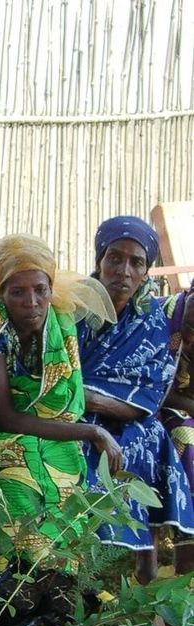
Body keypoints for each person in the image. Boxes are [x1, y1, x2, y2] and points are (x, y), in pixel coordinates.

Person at [0, 233, 121, 556]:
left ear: (50, 289)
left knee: (64, 457)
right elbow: (6, 418)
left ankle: (60, 571)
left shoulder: (59, 324)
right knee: (19, 463)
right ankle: (19, 567)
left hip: (17, 420)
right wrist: (92, 430)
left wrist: (82, 432)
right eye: (17, 292)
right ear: (1, 294)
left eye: (40, 290)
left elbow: (59, 402)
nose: (31, 303)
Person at [77, 216, 194, 582]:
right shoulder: (71, 306)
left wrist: (92, 398)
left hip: (128, 413)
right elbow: (56, 377)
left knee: (146, 438)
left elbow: (151, 390)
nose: (123, 271)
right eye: (115, 258)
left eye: (136, 263)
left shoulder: (150, 319)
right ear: (99, 258)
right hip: (69, 413)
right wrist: (80, 400)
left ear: (147, 271)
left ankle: (149, 566)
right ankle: (82, 569)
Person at [159, 288, 194, 576]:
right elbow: (151, 389)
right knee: (187, 440)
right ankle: (186, 549)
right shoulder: (160, 316)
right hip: (162, 410)